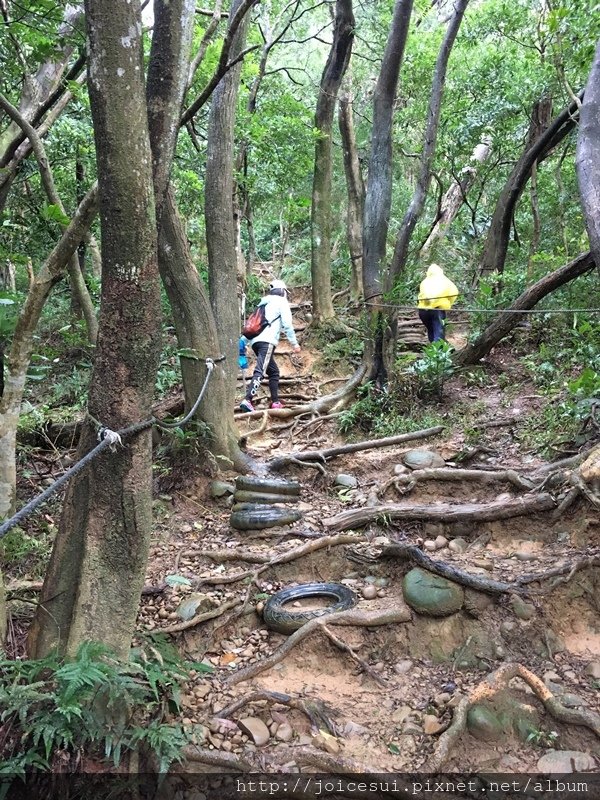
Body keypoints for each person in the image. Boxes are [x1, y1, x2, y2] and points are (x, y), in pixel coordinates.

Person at [239, 279, 301, 413]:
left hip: (255, 342)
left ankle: (275, 402)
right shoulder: (281, 302)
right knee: (260, 369)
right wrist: (295, 344)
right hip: (267, 342)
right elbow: (287, 324)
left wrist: (243, 340)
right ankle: (248, 399)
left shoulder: (263, 303)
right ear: (282, 291)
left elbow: (255, 324)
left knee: (273, 371)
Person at [417, 263, 459, 343]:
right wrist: (449, 303)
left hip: (423, 311)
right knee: (438, 332)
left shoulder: (424, 282)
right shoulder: (444, 281)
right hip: (437, 310)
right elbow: (454, 292)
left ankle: (433, 350)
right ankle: (438, 354)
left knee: (431, 330)